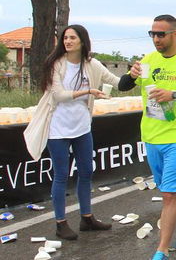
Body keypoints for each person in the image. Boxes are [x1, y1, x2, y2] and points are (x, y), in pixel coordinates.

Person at [118, 15, 176, 260]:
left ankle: (162, 251)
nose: (156, 39)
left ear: (175, 34)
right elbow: (123, 85)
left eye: (161, 34)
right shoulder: (148, 60)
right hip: (152, 135)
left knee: (168, 194)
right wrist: (132, 74)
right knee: (169, 189)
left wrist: (174, 95)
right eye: (152, 34)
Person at [27, 25, 116, 241]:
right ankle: (61, 223)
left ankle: (87, 218)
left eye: (72, 38)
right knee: (61, 175)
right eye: (65, 38)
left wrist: (135, 76)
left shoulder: (91, 64)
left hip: (82, 127)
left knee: (86, 172)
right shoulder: (55, 64)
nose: (67, 41)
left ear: (82, 41)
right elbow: (57, 95)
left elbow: (114, 81)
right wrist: (87, 91)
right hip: (58, 127)